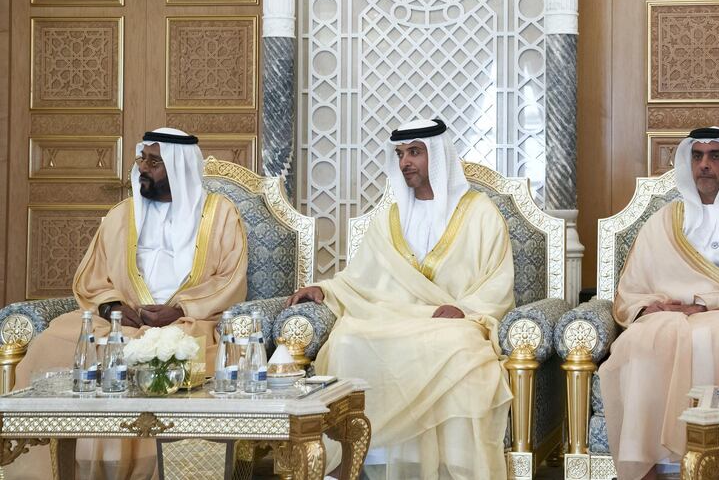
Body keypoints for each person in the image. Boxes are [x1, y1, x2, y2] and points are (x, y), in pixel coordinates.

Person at [13, 127, 248, 479]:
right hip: (124, 318)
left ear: (178, 168)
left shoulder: (220, 215)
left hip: (189, 320)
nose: (143, 168)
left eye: (155, 162)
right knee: (55, 342)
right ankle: (46, 469)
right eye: (142, 159)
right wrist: (113, 308)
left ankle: (152, 469)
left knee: (185, 354)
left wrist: (180, 309)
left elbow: (230, 277)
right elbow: (93, 276)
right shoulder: (122, 214)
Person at [287, 119, 514, 479]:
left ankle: (451, 466)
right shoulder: (390, 218)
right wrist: (326, 290)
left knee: (461, 347)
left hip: (455, 323)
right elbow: (360, 278)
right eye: (400, 154)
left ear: (437, 156)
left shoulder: (480, 213)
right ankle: (364, 458)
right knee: (346, 339)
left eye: (414, 152)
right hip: (395, 317)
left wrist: (465, 309)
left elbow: (498, 282)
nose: (405, 162)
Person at [598, 127, 719, 480]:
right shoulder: (664, 222)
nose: (704, 165)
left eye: (715, 156)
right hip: (673, 316)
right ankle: (651, 469)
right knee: (643, 338)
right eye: (697, 156)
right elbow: (633, 288)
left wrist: (706, 304)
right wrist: (650, 308)